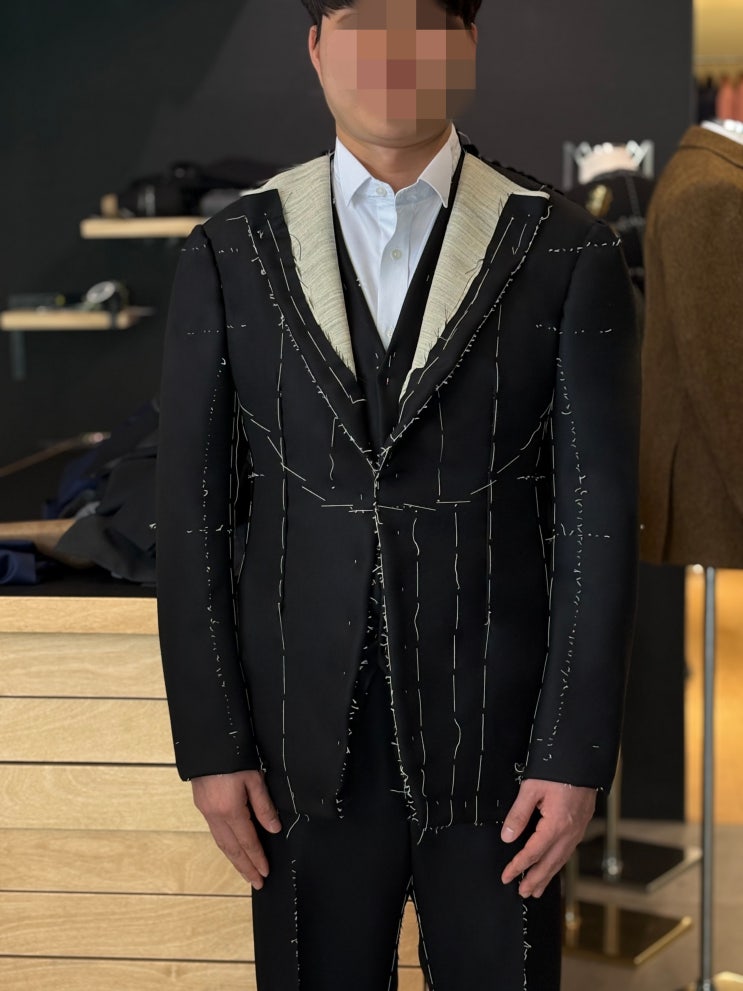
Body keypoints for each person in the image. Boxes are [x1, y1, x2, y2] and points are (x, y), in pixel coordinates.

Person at [156, 1, 641, 987]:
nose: (391, 54)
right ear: (315, 46)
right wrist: (210, 744)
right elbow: (191, 513)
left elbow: (596, 519)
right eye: (360, 22)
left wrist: (574, 751)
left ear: (467, 45)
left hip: (503, 754)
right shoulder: (228, 250)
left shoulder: (567, 249)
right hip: (294, 756)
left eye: (423, 24)